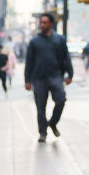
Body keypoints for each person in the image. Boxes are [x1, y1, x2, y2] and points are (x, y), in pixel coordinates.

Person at [24, 13, 74, 143]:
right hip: (39, 78)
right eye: (41, 22)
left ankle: (52, 123)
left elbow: (66, 57)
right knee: (40, 108)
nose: (42, 25)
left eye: (45, 22)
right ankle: (42, 133)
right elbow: (29, 61)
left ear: (51, 24)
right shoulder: (34, 41)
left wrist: (70, 74)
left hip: (56, 75)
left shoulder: (59, 39)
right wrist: (27, 80)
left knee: (61, 100)